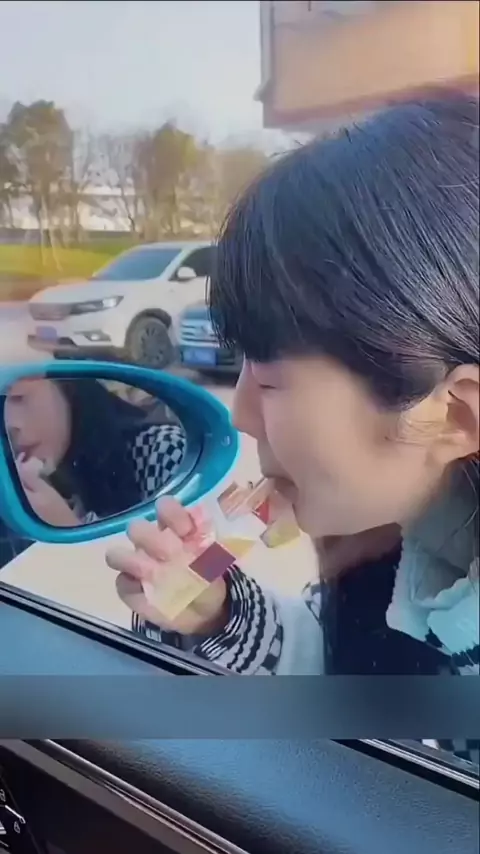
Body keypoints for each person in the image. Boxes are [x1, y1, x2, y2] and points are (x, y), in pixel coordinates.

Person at [107, 95, 479, 705]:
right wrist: (216, 614)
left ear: (454, 414)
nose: (239, 412)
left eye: (271, 377)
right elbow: (347, 666)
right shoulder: (414, 553)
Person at [1, 377, 186, 568]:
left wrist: (67, 530)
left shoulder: (162, 450)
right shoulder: (15, 489)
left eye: (18, 398)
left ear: (65, 382)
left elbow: (185, 565)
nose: (10, 425)